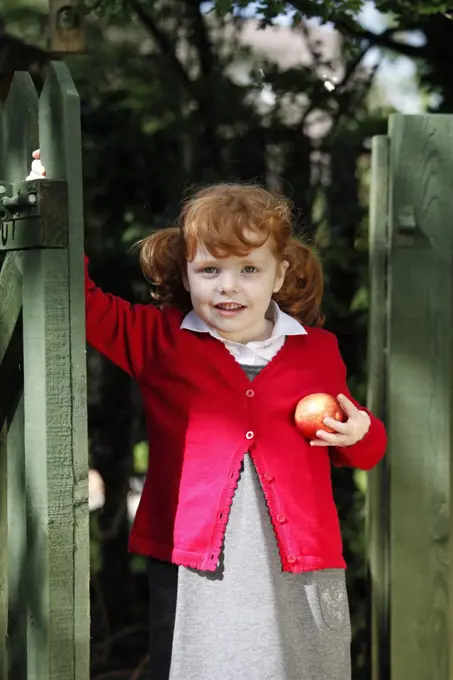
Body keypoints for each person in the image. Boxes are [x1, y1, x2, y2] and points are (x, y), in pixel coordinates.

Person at [28, 151, 386, 680]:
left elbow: (365, 448)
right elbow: (77, 301)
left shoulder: (318, 350)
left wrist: (358, 432)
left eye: (249, 269)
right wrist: (47, 202)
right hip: (192, 557)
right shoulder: (158, 339)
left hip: (298, 562)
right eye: (210, 269)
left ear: (280, 272)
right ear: (186, 272)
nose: (228, 286)